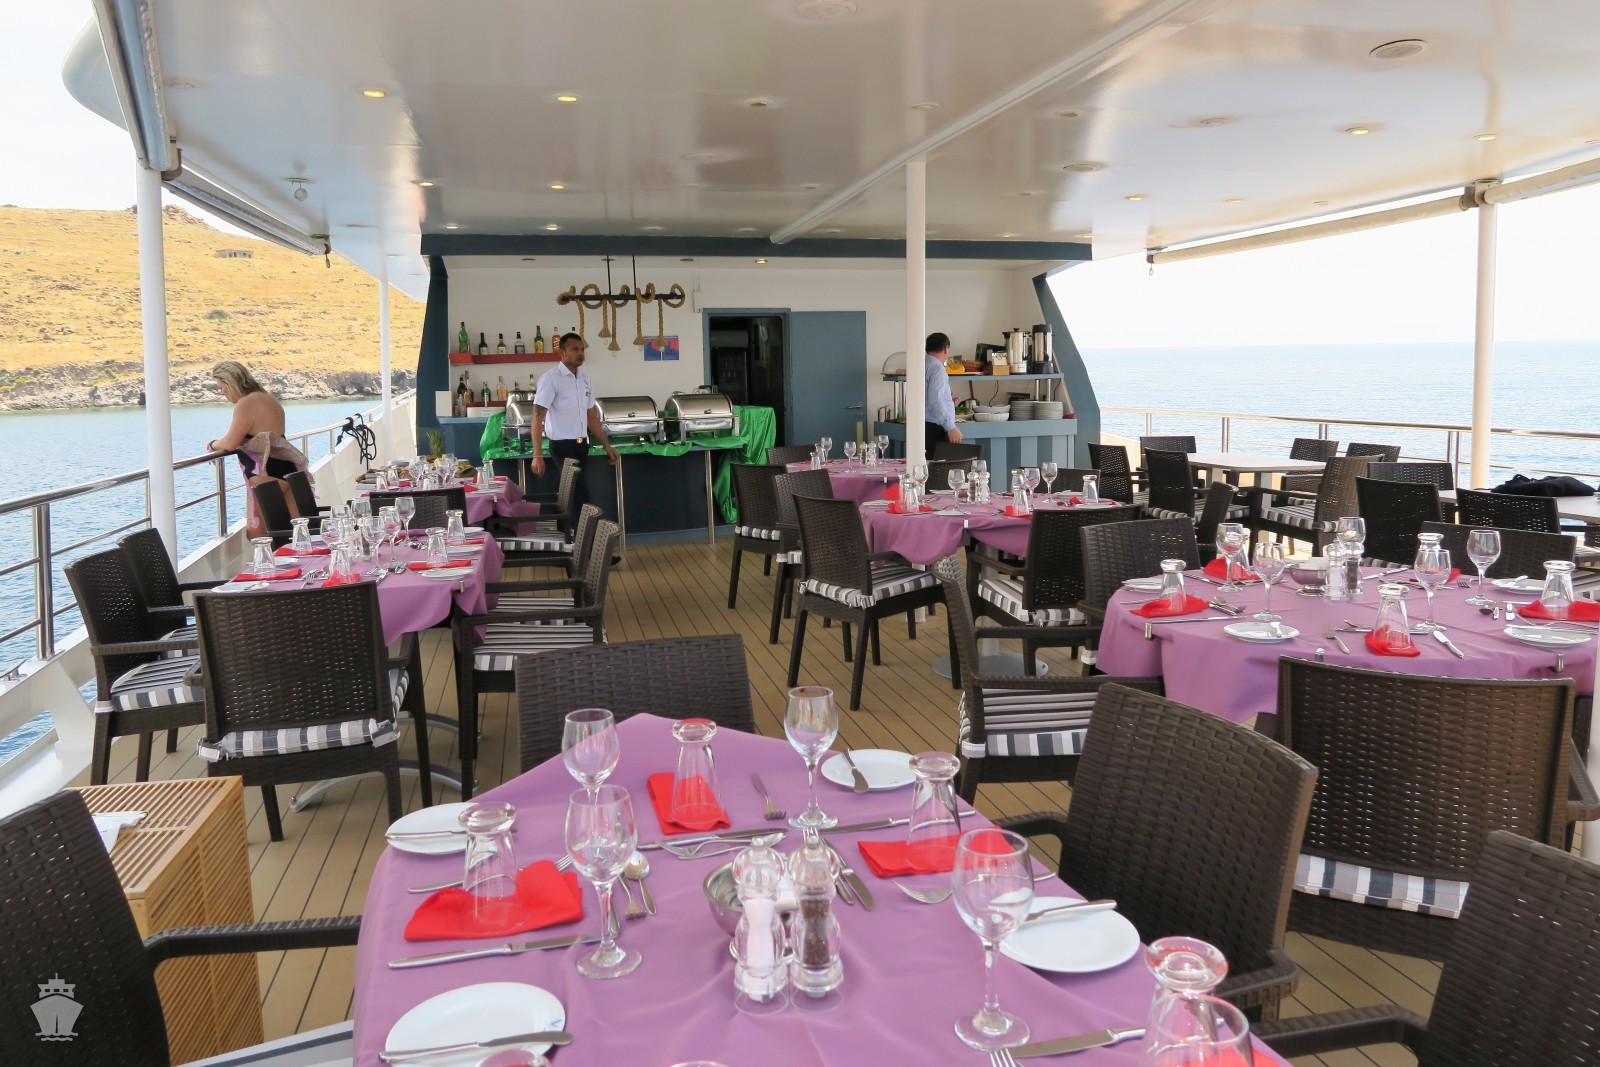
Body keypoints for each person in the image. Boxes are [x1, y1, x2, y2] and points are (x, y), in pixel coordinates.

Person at [206, 360, 312, 539]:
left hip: (265, 476)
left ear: (231, 382)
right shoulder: (269, 399)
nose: (222, 392)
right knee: (294, 536)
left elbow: (230, 443)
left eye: (221, 387)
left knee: (257, 537)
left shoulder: (246, 403)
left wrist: (213, 444)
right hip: (290, 474)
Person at [529, 333, 620, 517]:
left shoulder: (585, 380)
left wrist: (606, 445)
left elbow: (591, 416)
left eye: (582, 349)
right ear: (562, 352)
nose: (580, 353)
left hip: (581, 444)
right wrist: (537, 454)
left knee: (567, 490)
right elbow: (537, 416)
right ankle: (580, 530)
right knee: (577, 490)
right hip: (562, 445)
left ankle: (564, 528)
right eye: (575, 349)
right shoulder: (551, 378)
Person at [924, 332, 963, 448]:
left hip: (923, 425)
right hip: (935, 428)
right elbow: (935, 400)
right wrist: (951, 427)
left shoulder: (921, 364)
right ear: (945, 349)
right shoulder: (937, 368)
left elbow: (927, 395)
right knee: (939, 460)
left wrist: (947, 399)